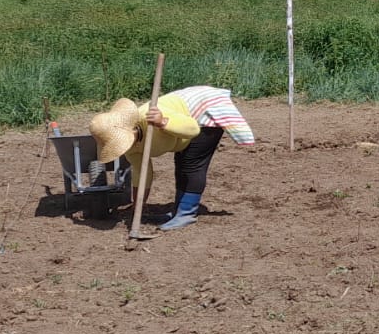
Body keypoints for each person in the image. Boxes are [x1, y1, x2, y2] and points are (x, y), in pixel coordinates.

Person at [90, 86, 256, 231]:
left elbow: (192, 129)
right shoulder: (130, 148)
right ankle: (178, 210)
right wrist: (138, 205)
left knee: (192, 164)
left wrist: (162, 121)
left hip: (202, 112)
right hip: (182, 131)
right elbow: (142, 173)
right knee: (181, 164)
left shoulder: (150, 116)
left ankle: (186, 213)